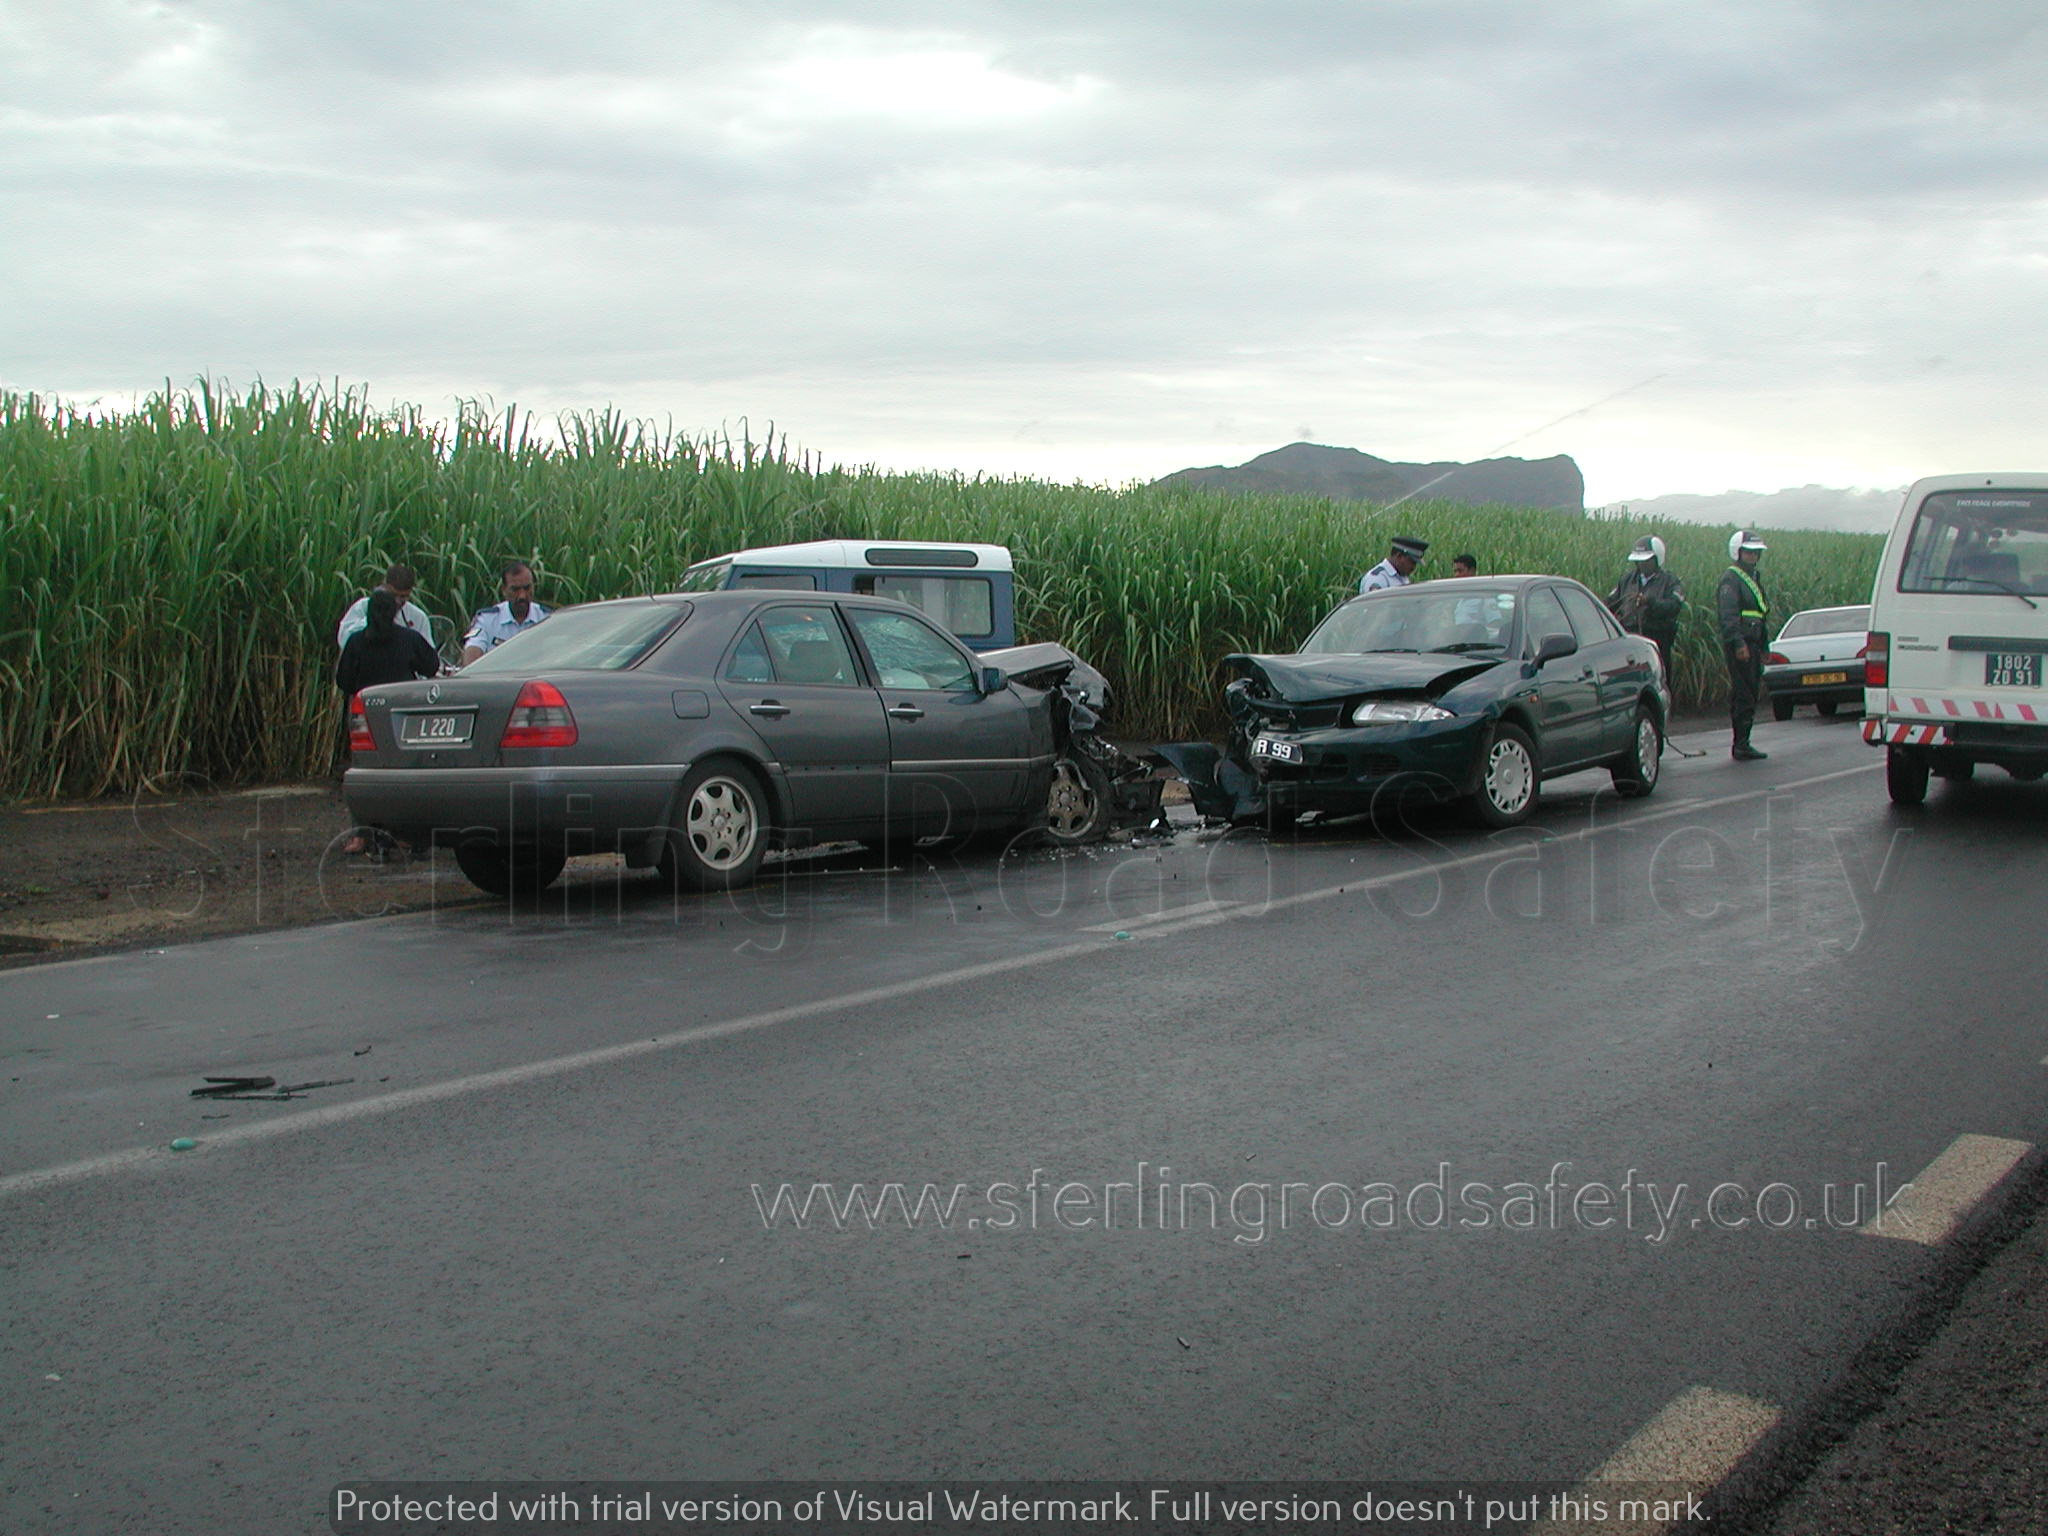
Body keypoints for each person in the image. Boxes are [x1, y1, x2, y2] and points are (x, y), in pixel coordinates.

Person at [1717, 529, 1772, 761]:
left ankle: (1744, 741)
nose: (1753, 556)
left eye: (1756, 552)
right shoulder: (1731, 579)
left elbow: (1760, 615)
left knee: (1750, 692)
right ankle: (1740, 744)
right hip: (1741, 644)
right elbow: (1728, 616)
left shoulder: (1753, 577)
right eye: (1748, 552)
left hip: (1754, 643)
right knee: (1743, 693)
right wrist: (1739, 644)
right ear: (1738, 552)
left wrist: (1765, 646)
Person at [1606, 534, 1686, 681]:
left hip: (1658, 640)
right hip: (1630, 639)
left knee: (1660, 680)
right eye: (1639, 561)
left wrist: (1650, 602)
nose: (1642, 565)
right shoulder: (1627, 580)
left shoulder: (1670, 582)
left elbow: (1673, 606)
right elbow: (1611, 601)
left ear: (1657, 559)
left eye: (1646, 561)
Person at [336, 588, 441, 698]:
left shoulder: (355, 642)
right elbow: (431, 667)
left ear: (368, 612)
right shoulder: (410, 639)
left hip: (367, 701)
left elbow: (344, 681)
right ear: (394, 611)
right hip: (403, 699)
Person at [461, 560, 549, 664]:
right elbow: (473, 650)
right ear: (504, 590)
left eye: (527, 588)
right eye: (515, 590)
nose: (522, 596)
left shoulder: (547, 619)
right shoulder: (487, 620)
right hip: (498, 678)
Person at [336, 564, 434, 649]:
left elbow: (428, 653)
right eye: (393, 595)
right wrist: (373, 620)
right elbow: (344, 640)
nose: (397, 601)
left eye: (403, 596)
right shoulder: (362, 606)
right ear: (383, 586)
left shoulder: (418, 617)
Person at [1358, 536, 1429, 594]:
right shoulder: (1378, 578)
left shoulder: (1402, 577)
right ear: (1399, 556)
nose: (1413, 567)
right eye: (1411, 562)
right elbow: (1375, 608)